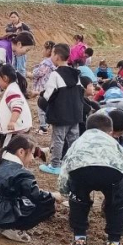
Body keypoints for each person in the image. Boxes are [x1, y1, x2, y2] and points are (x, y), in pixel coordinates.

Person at [59, 110, 123, 245]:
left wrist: (65, 190)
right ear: (111, 131)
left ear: (87, 129)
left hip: (82, 171)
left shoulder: (79, 142)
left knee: (78, 202)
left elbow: (66, 164)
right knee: (117, 205)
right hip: (112, 173)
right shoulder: (114, 143)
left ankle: (79, 242)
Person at [0, 135, 62, 242]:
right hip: (2, 214)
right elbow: (36, 196)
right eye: (32, 154)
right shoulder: (21, 173)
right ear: (21, 152)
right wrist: (52, 195)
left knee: (24, 198)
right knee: (48, 203)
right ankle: (12, 228)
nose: (33, 158)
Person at [37, 43, 84, 175]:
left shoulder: (55, 75)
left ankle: (55, 165)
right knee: (73, 139)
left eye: (52, 53)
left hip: (61, 114)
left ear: (57, 57)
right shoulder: (76, 74)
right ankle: (74, 163)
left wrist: (41, 96)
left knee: (58, 139)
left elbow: (48, 95)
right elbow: (80, 92)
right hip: (75, 114)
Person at [0, 64, 32, 147]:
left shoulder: (11, 91)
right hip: (19, 128)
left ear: (5, 78)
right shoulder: (14, 88)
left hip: (15, 130)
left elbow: (17, 106)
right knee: (20, 148)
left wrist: (12, 121)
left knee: (6, 151)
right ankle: (38, 152)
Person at [5, 11, 32, 76]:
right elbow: (8, 31)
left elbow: (30, 33)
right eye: (11, 17)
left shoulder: (23, 25)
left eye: (15, 17)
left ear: (18, 17)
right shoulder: (9, 26)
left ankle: (22, 83)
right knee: (13, 67)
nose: (13, 18)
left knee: (21, 68)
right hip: (12, 48)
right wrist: (16, 27)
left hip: (21, 48)